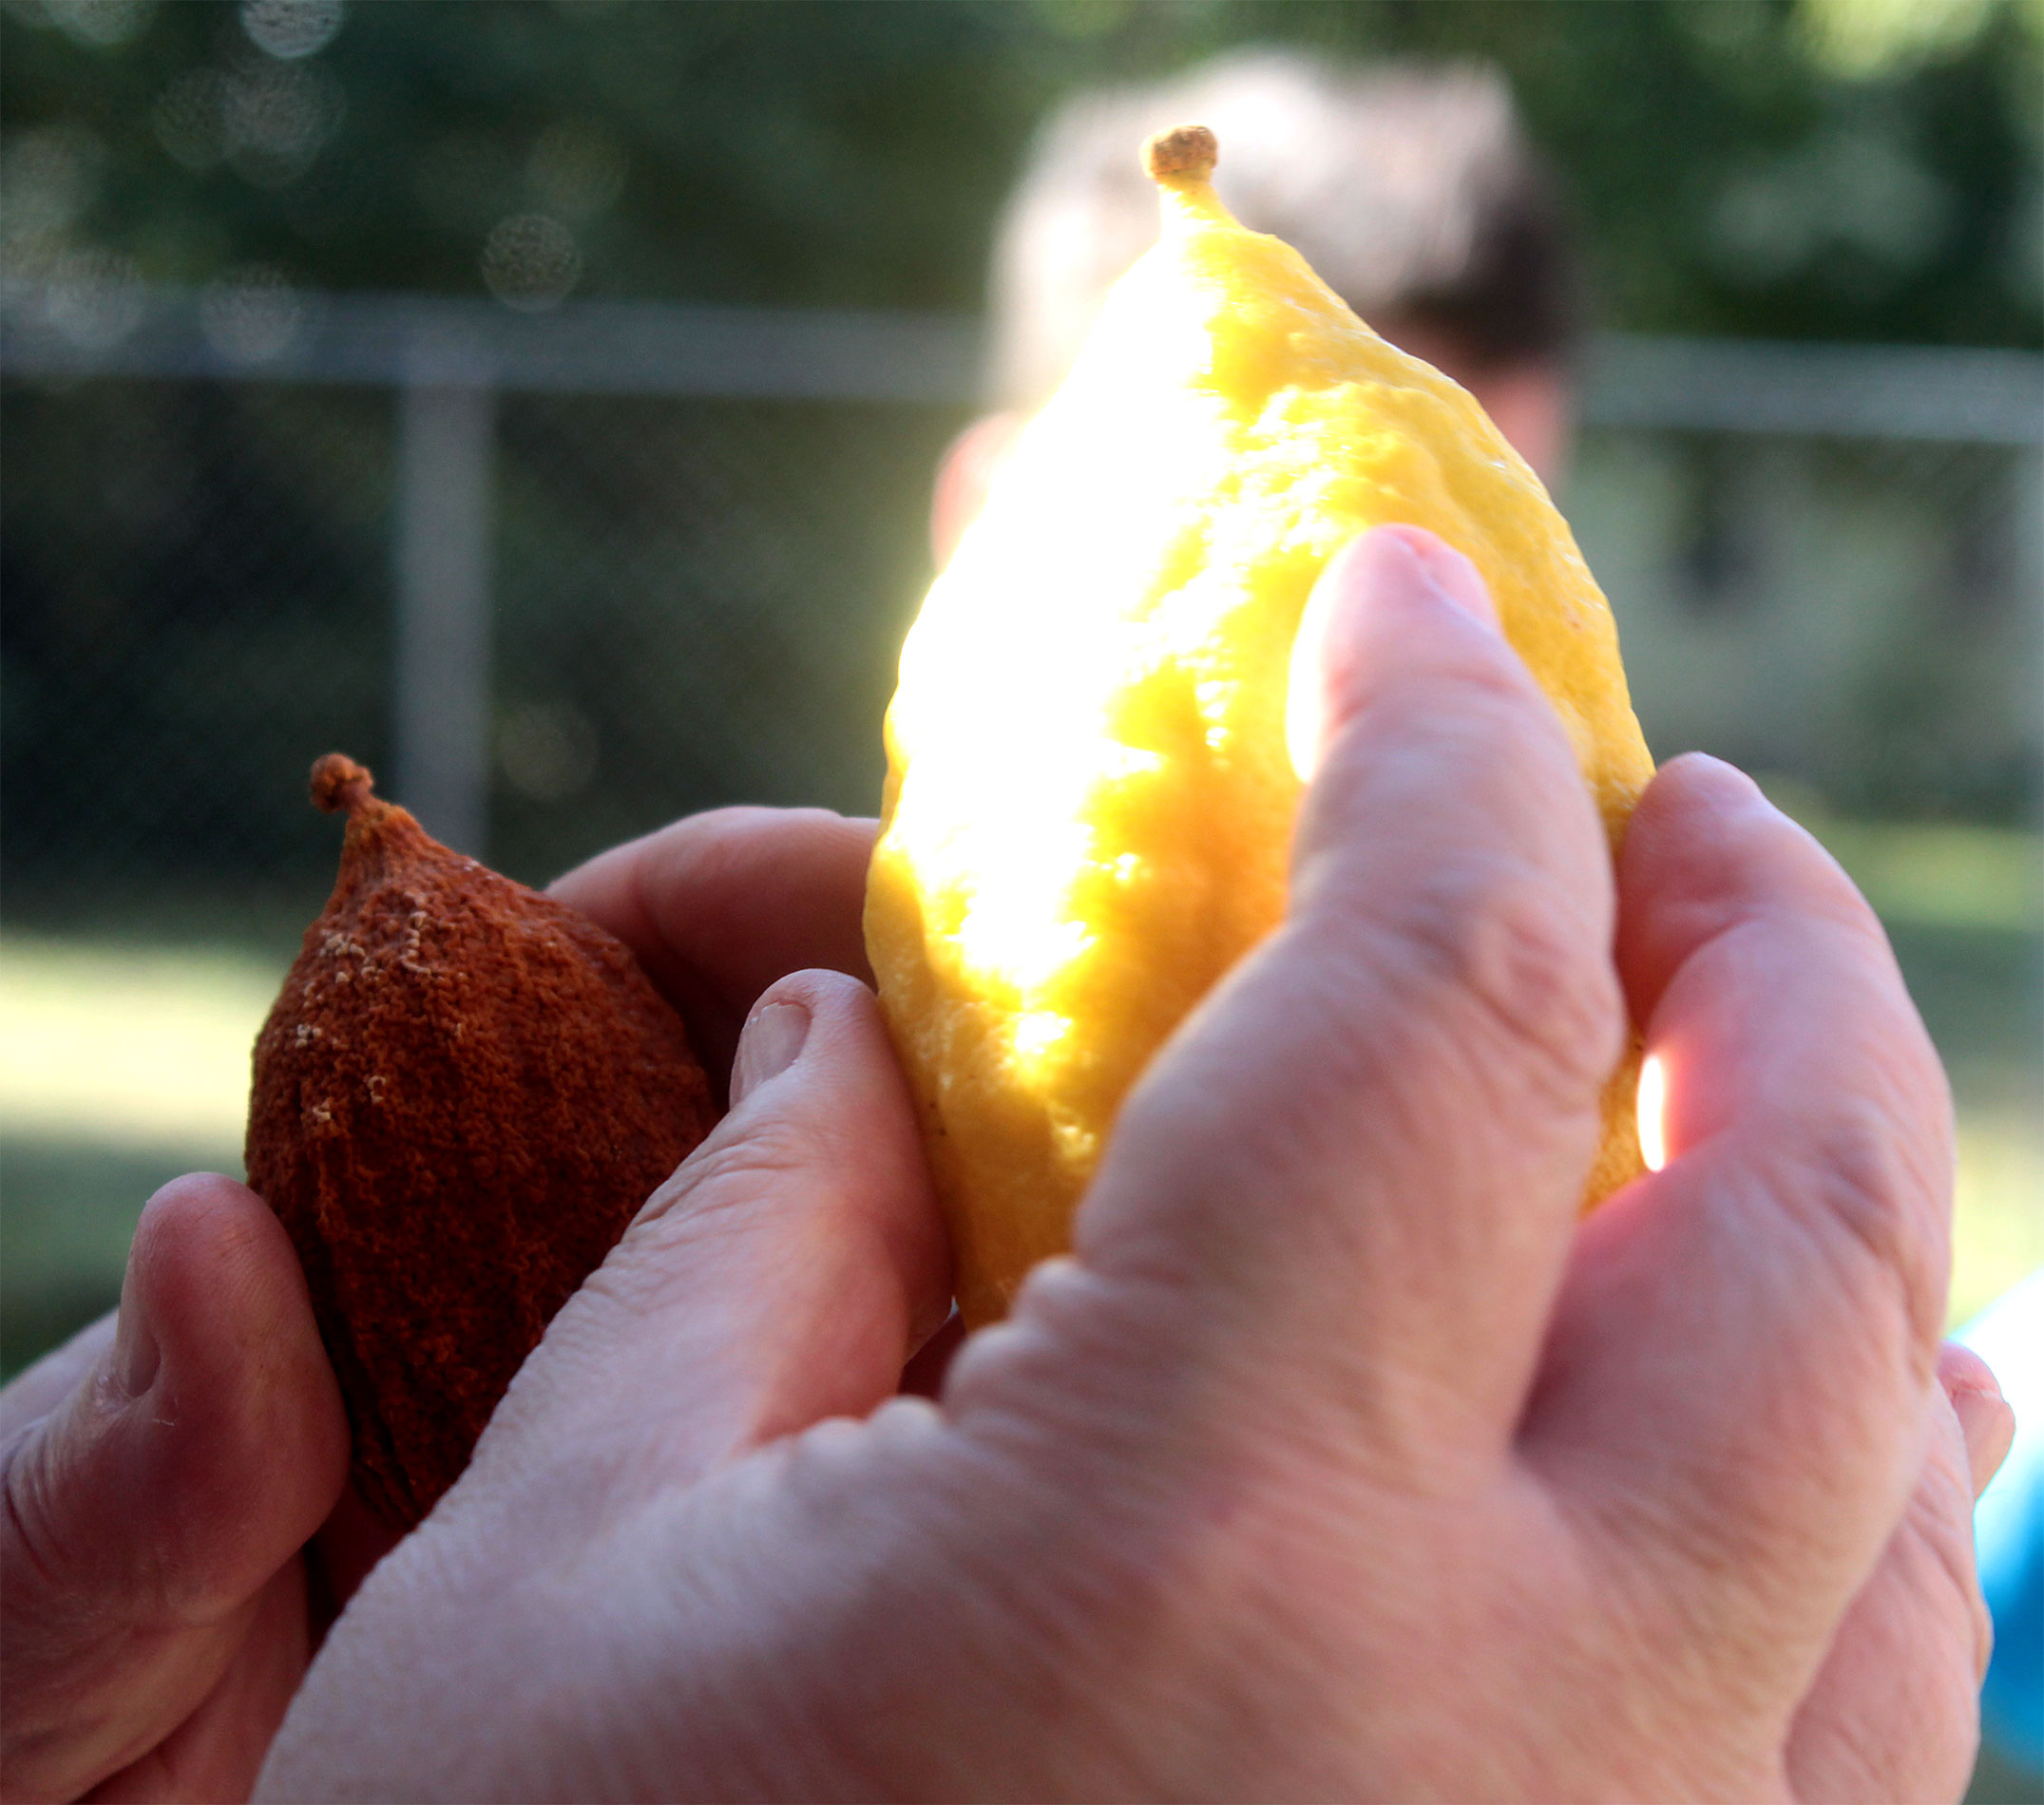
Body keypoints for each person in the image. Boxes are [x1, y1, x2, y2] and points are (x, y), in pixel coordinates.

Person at [0, 55, 2018, 1805]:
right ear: (990, 509)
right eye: (1375, 593)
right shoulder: (689, 1128)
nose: (1459, 768)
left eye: (1513, 541)